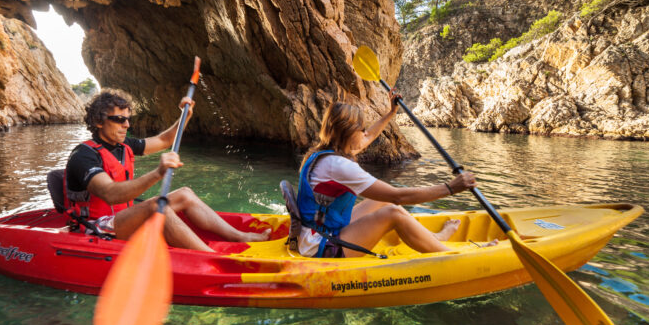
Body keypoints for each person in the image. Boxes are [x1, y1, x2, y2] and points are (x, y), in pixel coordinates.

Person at [64, 89, 269, 251]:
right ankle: (211, 258)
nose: (126, 125)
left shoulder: (124, 145)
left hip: (123, 218)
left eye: (128, 119)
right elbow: (110, 194)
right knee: (156, 206)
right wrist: (158, 172)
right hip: (95, 227)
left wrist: (185, 115)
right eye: (119, 119)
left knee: (185, 194)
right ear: (99, 121)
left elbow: (164, 140)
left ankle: (240, 237)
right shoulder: (83, 155)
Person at [296, 94, 497, 258]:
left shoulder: (325, 153)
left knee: (380, 201)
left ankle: (435, 238)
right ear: (348, 133)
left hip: (319, 231)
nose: (364, 133)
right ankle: (453, 256)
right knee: (393, 210)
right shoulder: (338, 165)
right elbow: (399, 196)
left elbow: (367, 138)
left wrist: (391, 113)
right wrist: (451, 188)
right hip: (321, 246)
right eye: (361, 129)